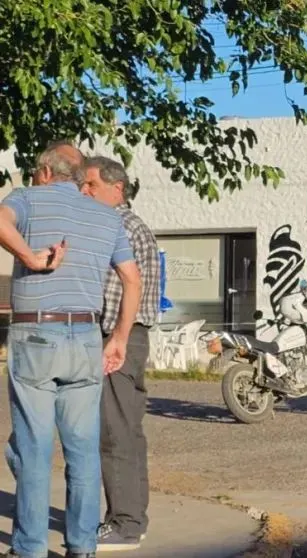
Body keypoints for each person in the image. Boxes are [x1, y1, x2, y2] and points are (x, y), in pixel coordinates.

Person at [1, 142, 140, 558]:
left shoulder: (25, 198)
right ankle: (82, 546)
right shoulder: (106, 216)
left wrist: (31, 257)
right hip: (85, 337)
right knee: (82, 450)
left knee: (34, 448)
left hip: (36, 336)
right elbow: (132, 280)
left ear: (45, 171)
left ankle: (29, 548)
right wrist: (119, 338)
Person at [79, 157, 160, 551]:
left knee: (116, 433)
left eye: (91, 184)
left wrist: (117, 339)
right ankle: (131, 518)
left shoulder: (120, 226)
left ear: (117, 188)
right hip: (123, 337)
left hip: (119, 338)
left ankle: (125, 524)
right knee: (125, 431)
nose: (85, 191)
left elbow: (126, 289)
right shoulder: (120, 224)